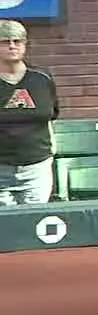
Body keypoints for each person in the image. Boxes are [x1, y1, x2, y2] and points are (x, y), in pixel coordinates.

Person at [0, 21, 59, 207]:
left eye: (17, 41)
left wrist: (52, 151)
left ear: (25, 45)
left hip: (37, 168)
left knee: (34, 225)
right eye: (5, 41)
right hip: (1, 169)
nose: (12, 45)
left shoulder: (42, 78)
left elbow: (51, 116)